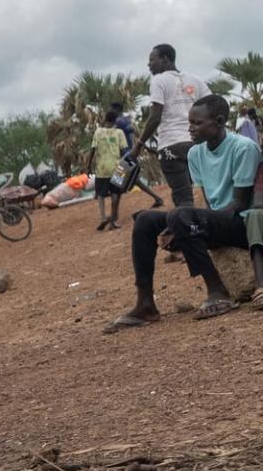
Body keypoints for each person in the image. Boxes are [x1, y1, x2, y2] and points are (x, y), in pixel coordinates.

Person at [107, 94, 260, 330]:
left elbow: (239, 204)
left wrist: (189, 222)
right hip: (217, 219)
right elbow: (209, 202)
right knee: (147, 219)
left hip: (240, 223)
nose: (191, 129)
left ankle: (218, 291)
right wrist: (182, 226)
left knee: (181, 215)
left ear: (219, 122)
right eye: (190, 123)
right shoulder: (195, 153)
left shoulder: (243, 147)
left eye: (198, 123)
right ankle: (145, 303)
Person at [130, 45, 214, 207]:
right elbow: (213, 105)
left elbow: (155, 117)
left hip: (172, 146)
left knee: (183, 197)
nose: (149, 65)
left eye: (152, 60)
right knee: (209, 191)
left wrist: (139, 144)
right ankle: (213, 224)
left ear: (165, 59)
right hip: (197, 143)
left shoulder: (158, 81)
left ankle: (187, 227)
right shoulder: (195, 80)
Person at [87, 106, 127, 230]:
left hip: (102, 169)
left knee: (101, 195)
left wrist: (88, 166)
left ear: (105, 119)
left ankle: (103, 217)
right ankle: (113, 221)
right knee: (115, 194)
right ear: (115, 121)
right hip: (117, 167)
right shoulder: (119, 133)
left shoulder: (98, 132)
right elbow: (123, 150)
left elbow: (92, 150)